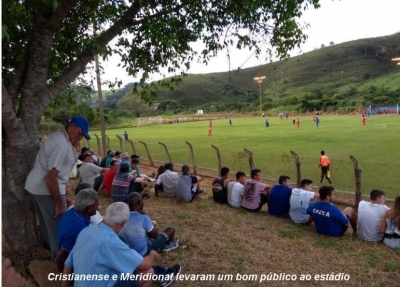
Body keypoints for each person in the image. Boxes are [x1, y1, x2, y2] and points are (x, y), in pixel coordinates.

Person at [62, 202, 181, 287]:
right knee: (149, 272)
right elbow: (144, 265)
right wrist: (152, 254)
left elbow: (68, 263)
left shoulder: (87, 230)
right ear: (124, 223)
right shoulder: (112, 243)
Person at [25, 116, 91, 260]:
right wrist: (60, 204)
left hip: (36, 187)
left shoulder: (60, 138)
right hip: (45, 190)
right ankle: (60, 262)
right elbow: (51, 177)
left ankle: (50, 248)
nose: (80, 138)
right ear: (71, 127)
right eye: (79, 133)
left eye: (82, 136)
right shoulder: (61, 145)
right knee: (58, 228)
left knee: (46, 223)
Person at [55, 189, 99, 272]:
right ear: (89, 208)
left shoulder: (73, 212)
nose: (98, 206)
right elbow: (60, 258)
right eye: (96, 204)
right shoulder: (78, 228)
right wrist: (67, 280)